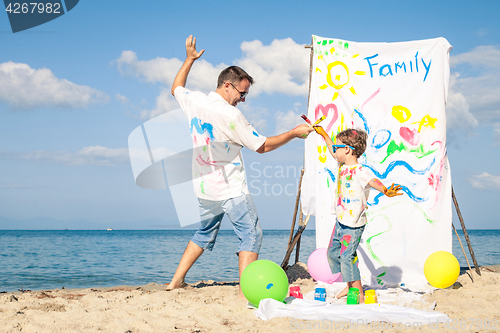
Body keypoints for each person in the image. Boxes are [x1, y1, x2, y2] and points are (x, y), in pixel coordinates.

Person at [167, 35, 314, 298]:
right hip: (230, 188)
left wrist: (188, 60)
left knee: (204, 233)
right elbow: (263, 146)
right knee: (251, 234)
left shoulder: (196, 101)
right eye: (242, 93)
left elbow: (176, 86)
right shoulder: (231, 115)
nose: (243, 99)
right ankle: (246, 291)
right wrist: (293, 133)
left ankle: (175, 282)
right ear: (227, 86)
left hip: (203, 186)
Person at [313, 126, 402, 303]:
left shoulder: (361, 171)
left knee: (347, 257)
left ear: (347, 150)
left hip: (353, 224)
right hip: (340, 221)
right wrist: (324, 134)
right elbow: (332, 150)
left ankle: (358, 292)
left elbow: (373, 181)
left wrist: (385, 190)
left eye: (337, 148)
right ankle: (349, 283)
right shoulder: (341, 165)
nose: (334, 151)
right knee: (332, 254)